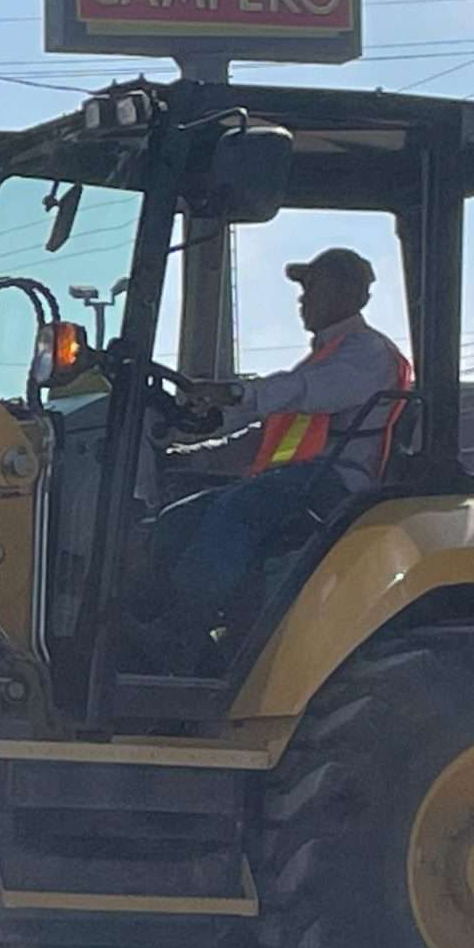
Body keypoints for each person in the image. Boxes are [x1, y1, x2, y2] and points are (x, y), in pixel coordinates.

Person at [139, 244, 412, 652]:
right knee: (178, 518)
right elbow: (266, 427)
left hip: (335, 486)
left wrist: (235, 392)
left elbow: (303, 393)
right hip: (296, 480)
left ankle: (180, 633)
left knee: (235, 511)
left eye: (313, 286)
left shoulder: (367, 354)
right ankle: (158, 625)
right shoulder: (324, 358)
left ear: (350, 293)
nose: (303, 298)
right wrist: (193, 445)